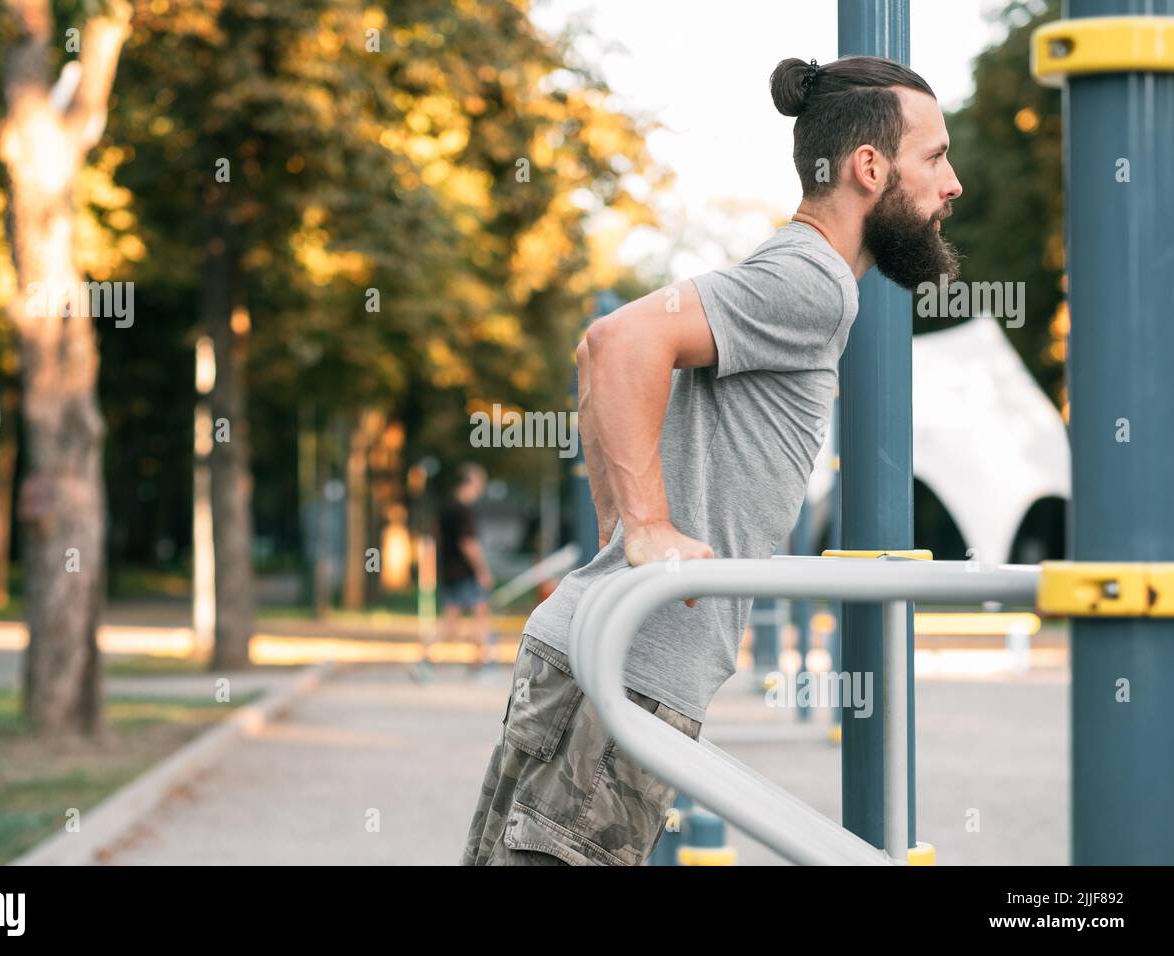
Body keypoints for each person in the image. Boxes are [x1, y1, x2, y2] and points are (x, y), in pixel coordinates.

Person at [461, 55, 962, 865]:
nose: (953, 184)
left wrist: (626, 529)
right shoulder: (816, 280)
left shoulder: (794, 272)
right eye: (935, 157)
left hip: (602, 657)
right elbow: (616, 342)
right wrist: (645, 528)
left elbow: (601, 358)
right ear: (870, 167)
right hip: (627, 675)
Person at [411, 463, 495, 682]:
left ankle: (425, 661)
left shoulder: (446, 509)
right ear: (471, 483)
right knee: (480, 616)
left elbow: (436, 538)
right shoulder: (465, 511)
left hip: (449, 571)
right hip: (466, 574)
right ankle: (480, 666)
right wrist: (483, 570)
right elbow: (469, 544)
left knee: (450, 622)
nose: (480, 489)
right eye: (479, 484)